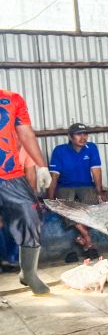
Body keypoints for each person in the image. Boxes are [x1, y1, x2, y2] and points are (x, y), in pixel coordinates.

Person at [0, 88, 53, 294]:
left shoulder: (12, 99)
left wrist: (41, 166)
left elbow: (25, 133)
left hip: (11, 175)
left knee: (32, 216)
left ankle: (28, 272)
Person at [47, 123, 106, 254]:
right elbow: (54, 177)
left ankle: (82, 237)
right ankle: (86, 237)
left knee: (94, 208)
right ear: (70, 137)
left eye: (85, 134)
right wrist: (50, 198)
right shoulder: (59, 150)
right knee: (66, 208)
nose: (83, 137)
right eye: (79, 134)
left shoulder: (91, 148)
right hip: (65, 186)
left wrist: (100, 192)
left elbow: (96, 171)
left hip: (86, 185)